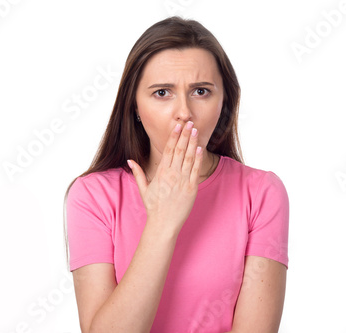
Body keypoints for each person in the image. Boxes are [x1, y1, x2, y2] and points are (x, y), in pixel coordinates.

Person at [63, 16, 289, 333]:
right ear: (135, 109)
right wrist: (162, 223)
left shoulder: (262, 192)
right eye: (162, 93)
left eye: (200, 91)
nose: (184, 112)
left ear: (224, 103)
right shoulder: (91, 197)